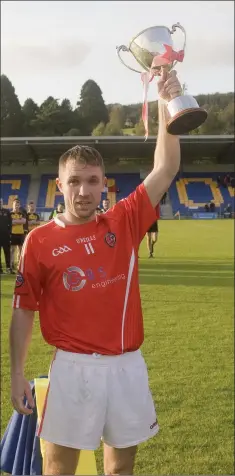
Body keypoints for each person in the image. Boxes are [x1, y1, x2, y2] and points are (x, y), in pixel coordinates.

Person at [9, 68, 181, 476]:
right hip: (72, 367)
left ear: (104, 184)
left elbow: (166, 167)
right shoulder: (39, 241)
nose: (83, 190)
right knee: (58, 468)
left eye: (91, 181)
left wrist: (165, 104)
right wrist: (16, 374)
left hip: (127, 365)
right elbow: (22, 310)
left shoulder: (123, 222)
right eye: (74, 182)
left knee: (121, 468)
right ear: (59, 186)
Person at [10, 198, 26, 271]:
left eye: (18, 205)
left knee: (20, 250)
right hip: (12, 234)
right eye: (15, 204)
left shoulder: (22, 213)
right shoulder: (10, 214)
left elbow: (24, 221)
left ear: (19, 205)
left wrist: (14, 221)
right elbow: (10, 222)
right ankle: (11, 264)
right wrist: (18, 221)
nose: (16, 206)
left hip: (20, 234)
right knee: (12, 250)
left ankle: (19, 265)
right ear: (12, 205)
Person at [0, 198, 12, 274]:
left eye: (0, 202)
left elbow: (10, 223)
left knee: (7, 252)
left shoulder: (7, 212)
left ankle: (8, 268)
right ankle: (0, 269)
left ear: (2, 202)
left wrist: (9, 233)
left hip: (6, 236)